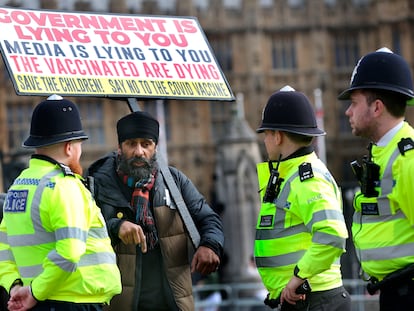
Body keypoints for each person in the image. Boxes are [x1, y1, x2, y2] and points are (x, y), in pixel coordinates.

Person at [86, 110, 224, 311]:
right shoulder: (96, 184)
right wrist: (115, 227)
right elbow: (81, 231)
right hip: (119, 304)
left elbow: (208, 218)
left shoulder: (174, 181)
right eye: (131, 144)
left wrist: (210, 245)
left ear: (155, 148)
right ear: (119, 147)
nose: (139, 151)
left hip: (172, 303)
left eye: (146, 144)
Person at [0, 95, 122, 311]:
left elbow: (4, 246)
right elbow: (70, 251)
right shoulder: (65, 186)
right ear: (69, 147)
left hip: (36, 302)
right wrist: (36, 291)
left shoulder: (18, 186)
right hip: (74, 300)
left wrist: (15, 285)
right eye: (79, 144)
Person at [254, 86, 351, 311]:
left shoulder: (308, 178)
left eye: (266, 134)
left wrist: (298, 276)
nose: (264, 141)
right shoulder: (291, 175)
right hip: (303, 299)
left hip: (314, 299)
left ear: (277, 136)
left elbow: (332, 233)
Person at [338, 47, 414, 311]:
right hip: (394, 292)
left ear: (377, 107)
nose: (348, 112)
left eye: (354, 102)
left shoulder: (408, 160)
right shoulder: (384, 153)